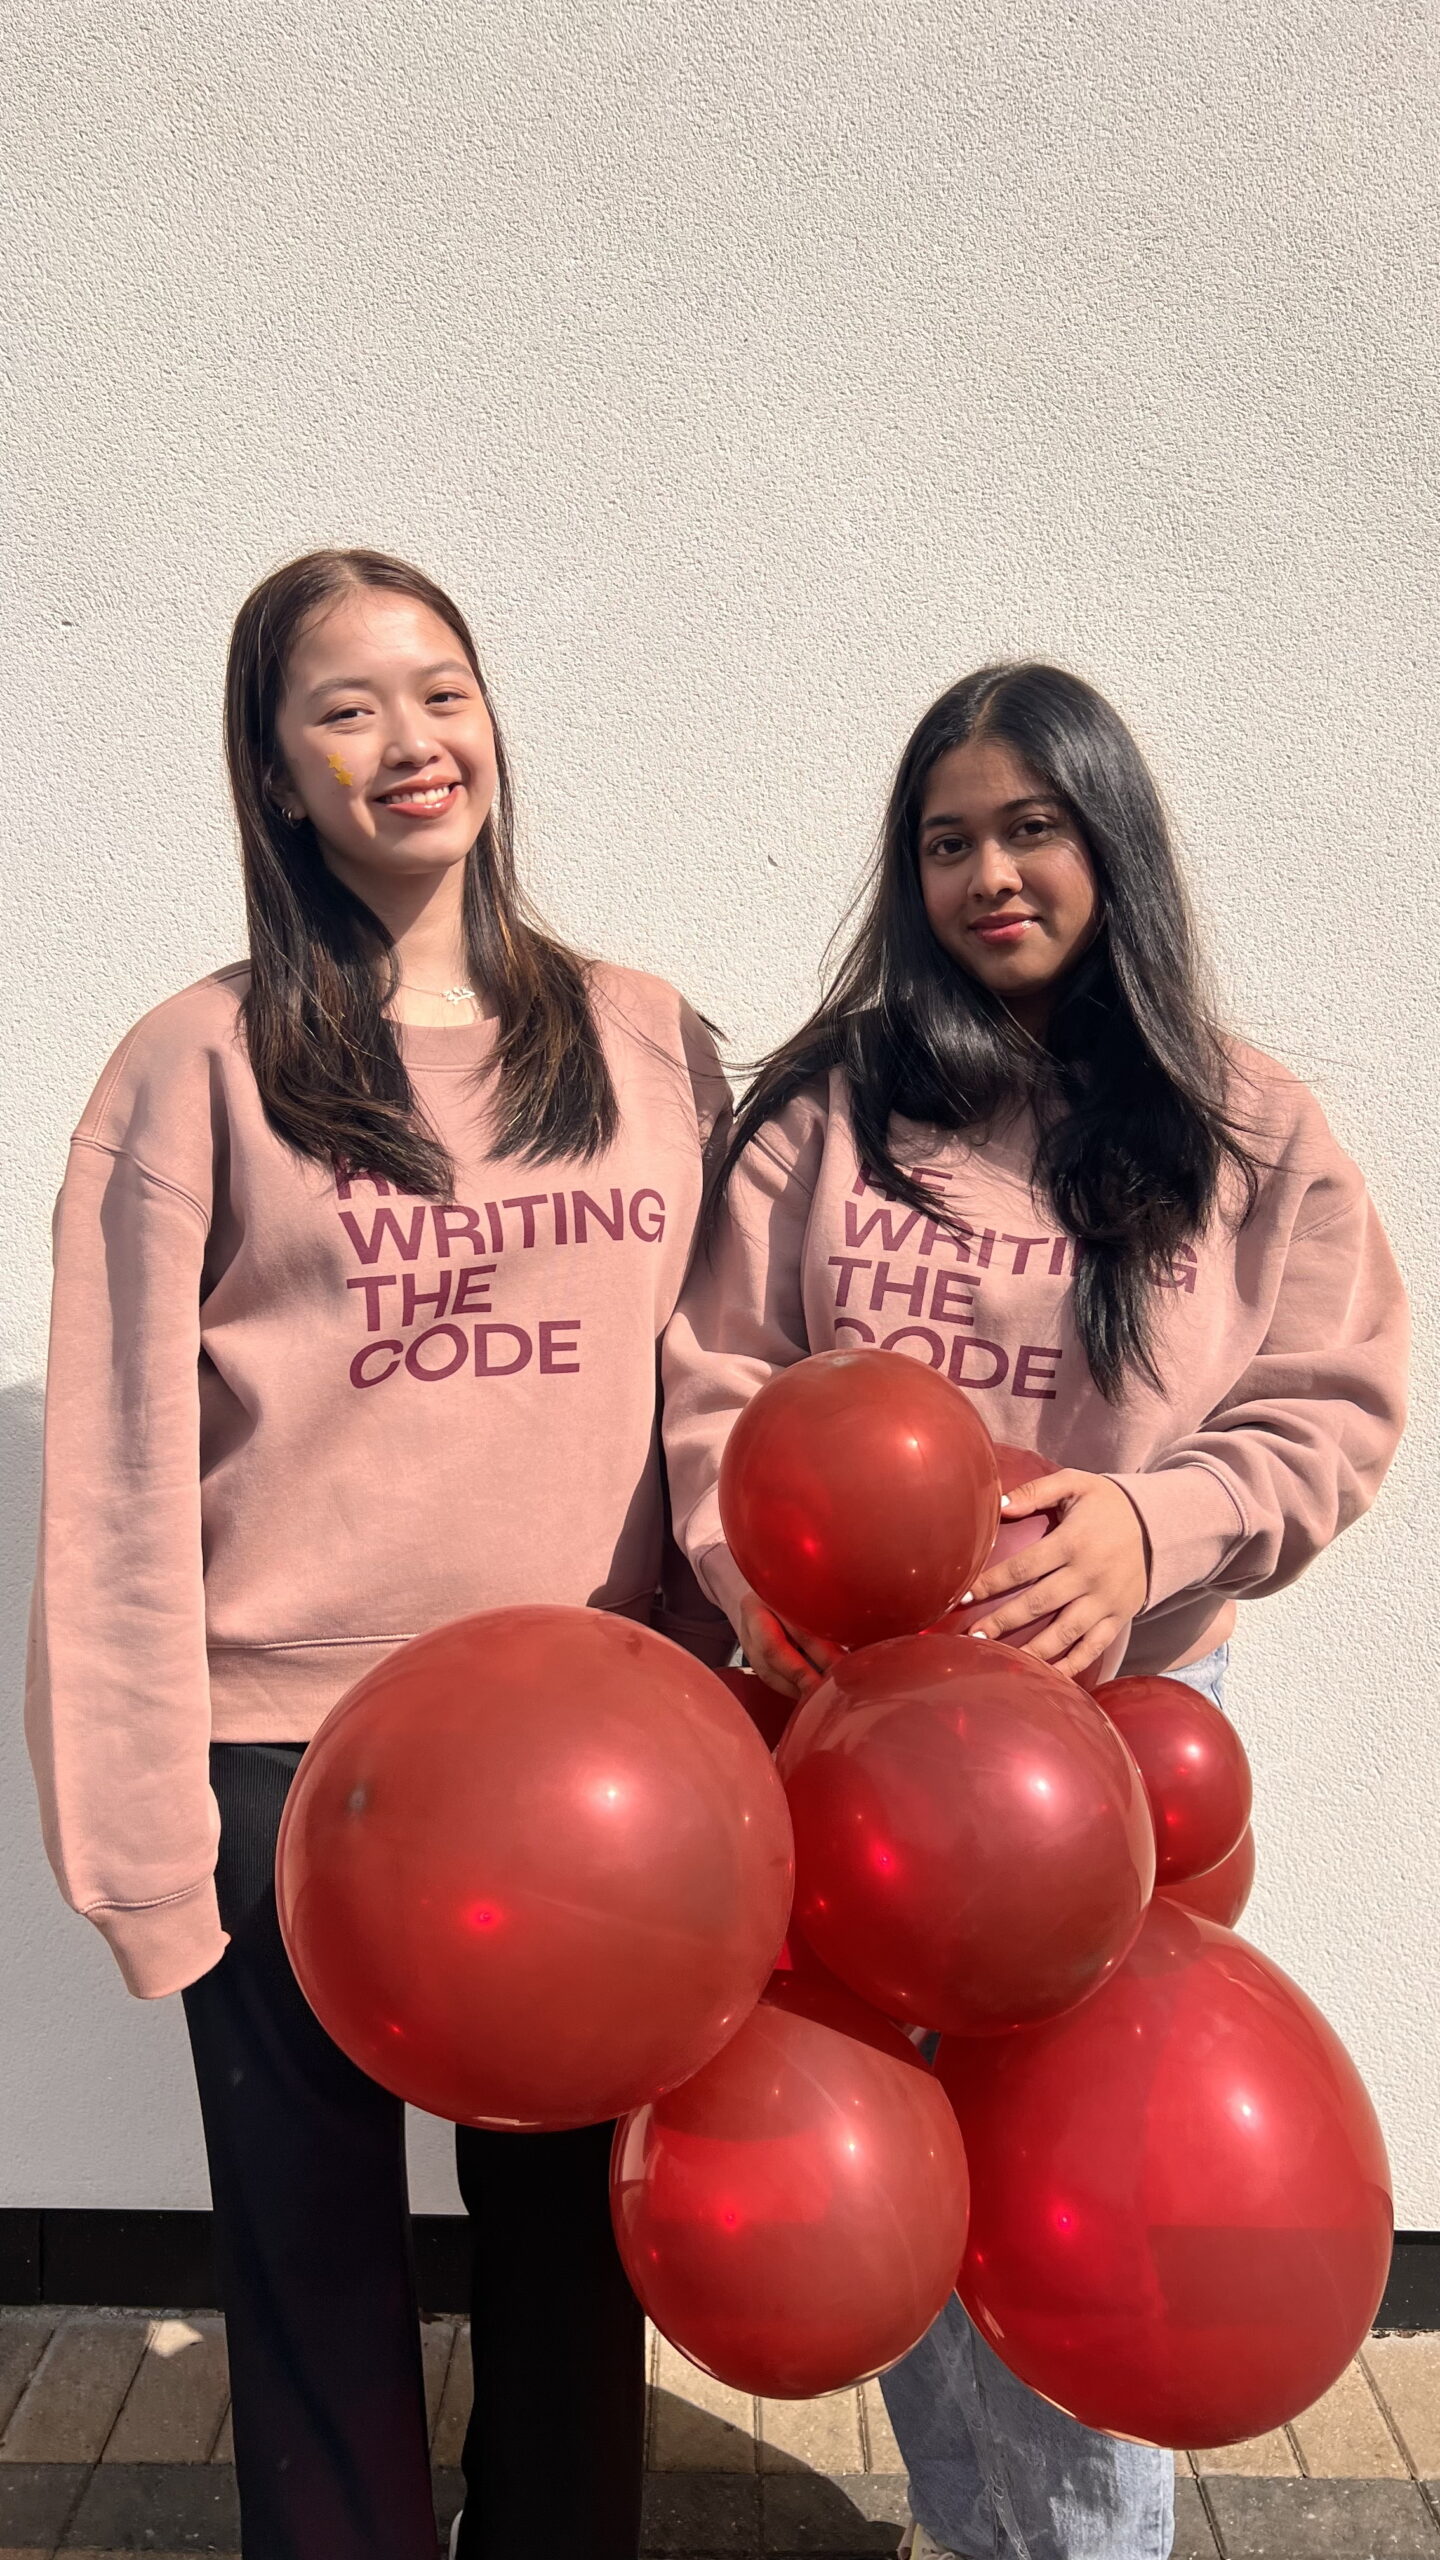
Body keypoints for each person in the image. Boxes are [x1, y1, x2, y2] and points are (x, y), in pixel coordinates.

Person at [26, 547, 732, 2560]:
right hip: (292, 1773)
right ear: (273, 772)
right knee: (315, 2299)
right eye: (345, 706)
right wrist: (140, 1852)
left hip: (597, 1788)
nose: (409, 740)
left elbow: (710, 1414)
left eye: (441, 688)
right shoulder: (193, 1064)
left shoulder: (648, 1035)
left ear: (493, 714)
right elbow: (116, 1487)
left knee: (574, 2282)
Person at [662, 661, 1408, 2560]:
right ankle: (969, 2531)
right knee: (907, 2186)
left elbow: (1333, 1401)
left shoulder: (1242, 1127)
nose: (990, 874)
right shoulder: (835, 1112)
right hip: (870, 1758)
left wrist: (1153, 1532)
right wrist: (765, 1592)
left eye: (1032, 827)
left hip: (1115, 1764)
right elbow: (724, 1373)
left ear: (1111, 841)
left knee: (1100, 2202)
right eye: (945, 843)